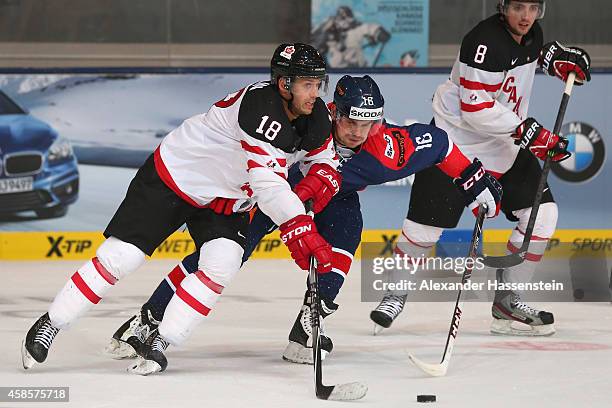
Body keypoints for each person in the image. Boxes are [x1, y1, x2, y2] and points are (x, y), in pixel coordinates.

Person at [105, 74, 503, 365]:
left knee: (345, 242)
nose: (358, 133)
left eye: (369, 124)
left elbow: (441, 145)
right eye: (351, 122)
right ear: (335, 111)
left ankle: (308, 325)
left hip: (335, 198)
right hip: (270, 194)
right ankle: (149, 318)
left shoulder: (386, 148)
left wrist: (474, 180)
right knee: (223, 255)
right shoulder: (307, 126)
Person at [21, 42, 342, 375]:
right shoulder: (262, 108)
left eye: (318, 84)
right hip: (176, 177)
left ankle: (161, 341)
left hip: (225, 197)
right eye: (307, 84)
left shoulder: (315, 116)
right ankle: (52, 322)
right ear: (284, 84)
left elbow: (326, 163)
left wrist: (314, 187)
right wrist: (300, 225)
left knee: (223, 263)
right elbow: (269, 186)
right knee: (123, 257)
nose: (315, 93)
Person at [370, 0, 591, 336]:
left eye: (533, 8)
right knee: (423, 231)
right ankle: (394, 294)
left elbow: (522, 62)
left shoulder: (531, 34)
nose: (526, 16)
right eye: (518, 7)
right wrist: (529, 132)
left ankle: (507, 301)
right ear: (504, 6)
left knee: (542, 215)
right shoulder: (482, 41)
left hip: (504, 144)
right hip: (456, 144)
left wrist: (551, 59)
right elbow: (474, 108)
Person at [311, 5, 391, 68]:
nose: (344, 23)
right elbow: (315, 43)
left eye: (347, 19)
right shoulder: (328, 31)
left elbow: (370, 28)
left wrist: (379, 33)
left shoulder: (356, 28)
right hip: (337, 71)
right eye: (342, 19)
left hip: (359, 69)